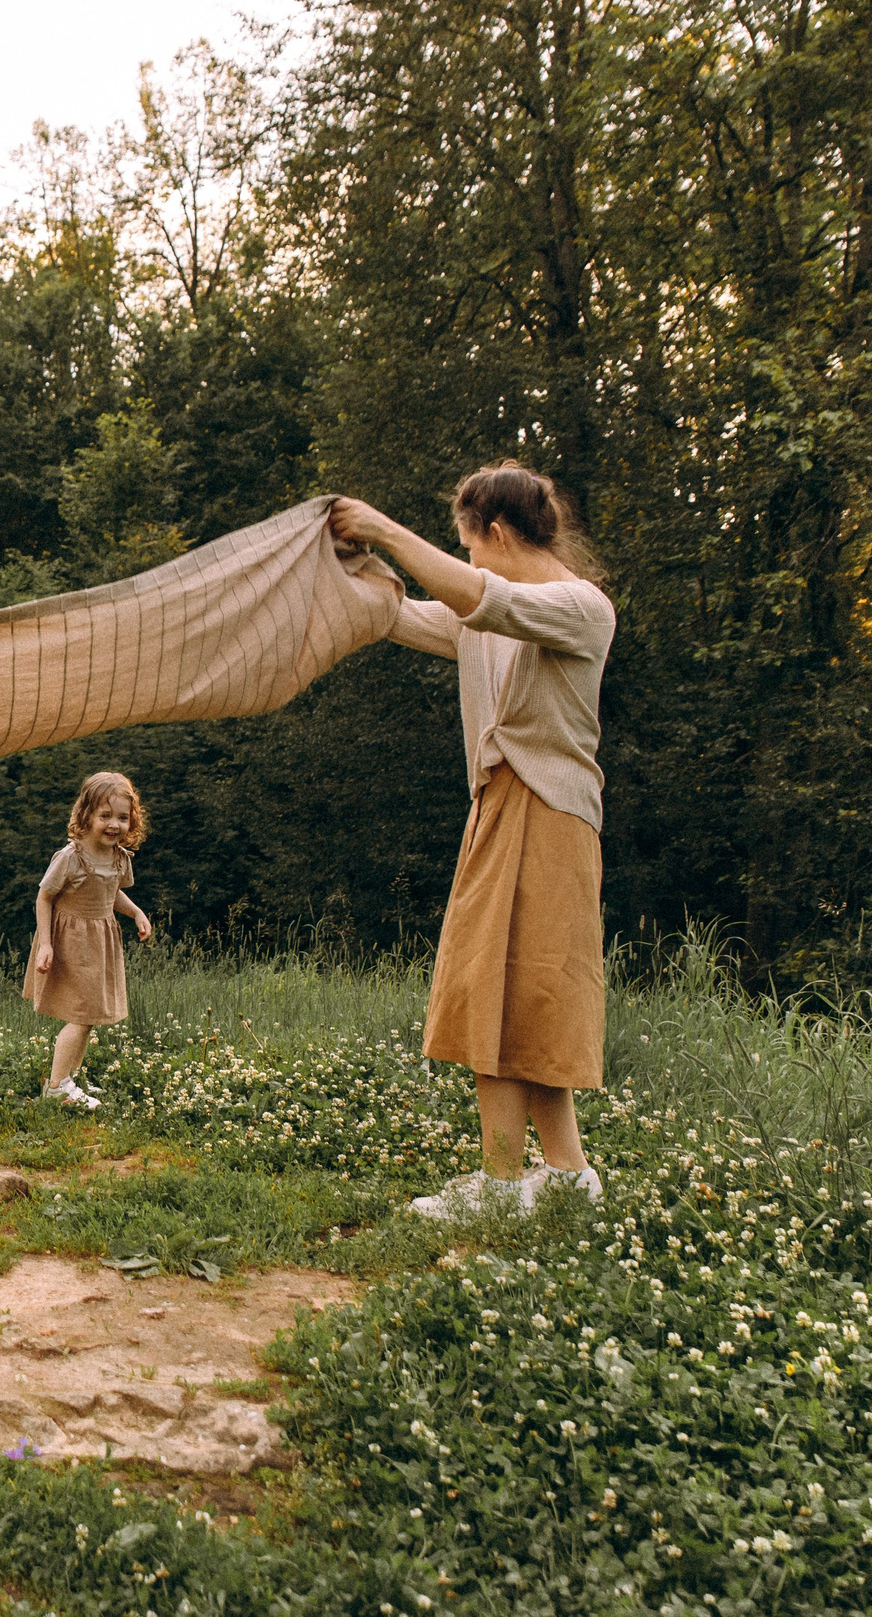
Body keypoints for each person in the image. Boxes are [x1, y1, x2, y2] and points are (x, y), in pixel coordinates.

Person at [329, 466, 614, 1219]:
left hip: (548, 811)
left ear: (495, 532)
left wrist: (383, 529)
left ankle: (499, 1188)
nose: (468, 558)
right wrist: (355, 571)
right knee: (520, 995)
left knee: (508, 991)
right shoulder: (489, 614)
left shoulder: (580, 607)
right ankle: (568, 1176)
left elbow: (482, 598)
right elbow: (405, 615)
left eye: (468, 543)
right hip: (502, 807)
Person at [22, 771, 154, 1109]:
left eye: (122, 817)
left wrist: (136, 912)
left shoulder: (118, 857)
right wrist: (47, 943)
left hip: (100, 942)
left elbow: (110, 893)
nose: (114, 825)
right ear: (86, 815)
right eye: (105, 815)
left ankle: (69, 1078)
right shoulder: (71, 857)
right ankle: (56, 1088)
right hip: (71, 943)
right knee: (82, 1016)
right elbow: (44, 897)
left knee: (90, 1015)